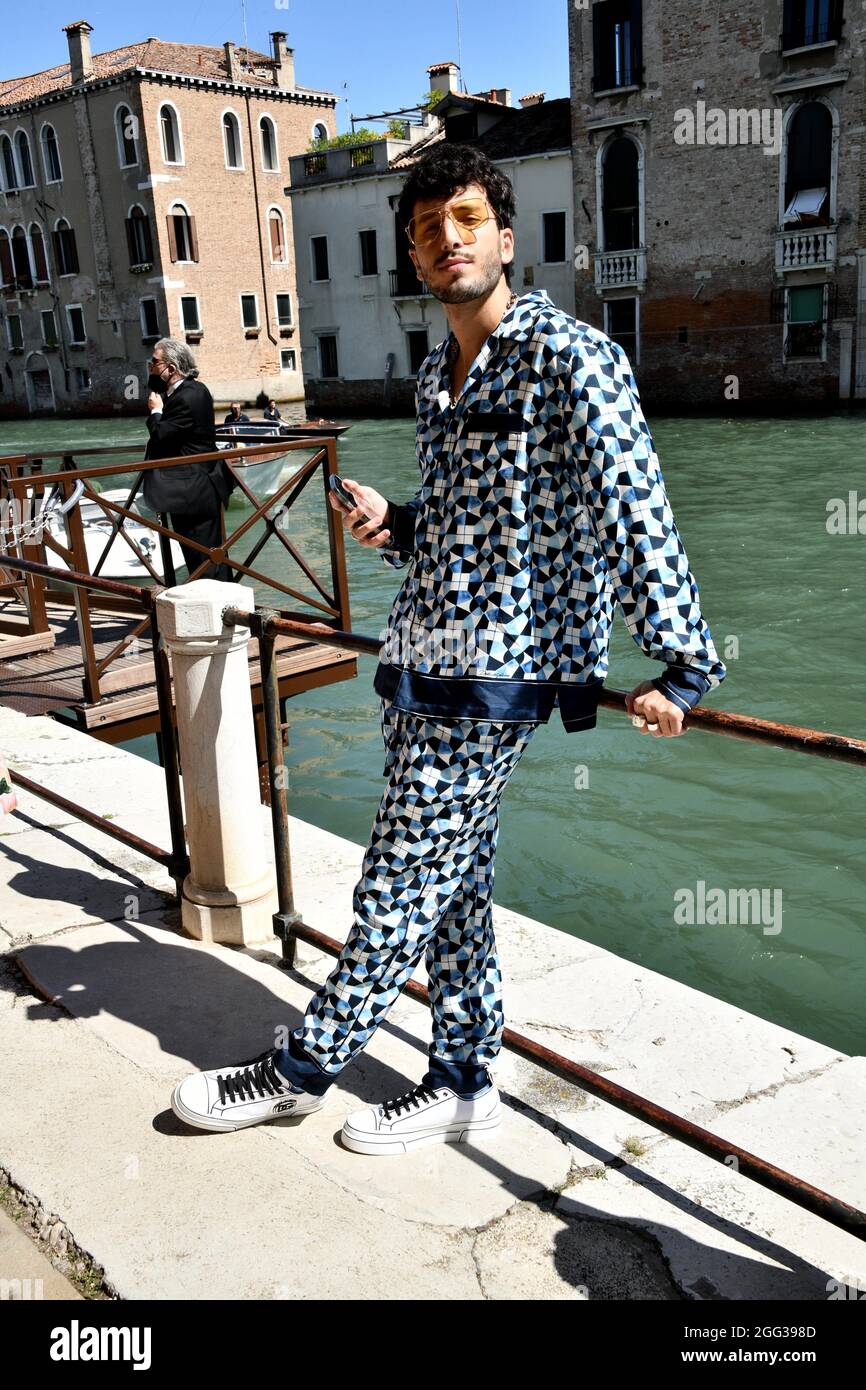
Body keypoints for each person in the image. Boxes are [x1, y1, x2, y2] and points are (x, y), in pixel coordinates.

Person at [171, 144, 727, 1153]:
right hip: (418, 656)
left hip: (498, 671)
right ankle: (464, 1076)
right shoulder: (437, 374)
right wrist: (400, 521)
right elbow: (476, 516)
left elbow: (633, 509)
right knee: (453, 882)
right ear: (416, 258)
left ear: (504, 238)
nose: (446, 242)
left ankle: (301, 1069)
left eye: (464, 220)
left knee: (393, 876)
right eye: (427, 230)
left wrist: (682, 667)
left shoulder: (571, 358)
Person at [144, 340, 232, 583]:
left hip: (196, 488)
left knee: (205, 557)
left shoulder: (189, 395)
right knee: (200, 556)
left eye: (154, 362)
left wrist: (156, 411)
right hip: (186, 487)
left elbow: (161, 435)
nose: (150, 367)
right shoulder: (183, 392)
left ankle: (221, 610)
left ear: (171, 369)